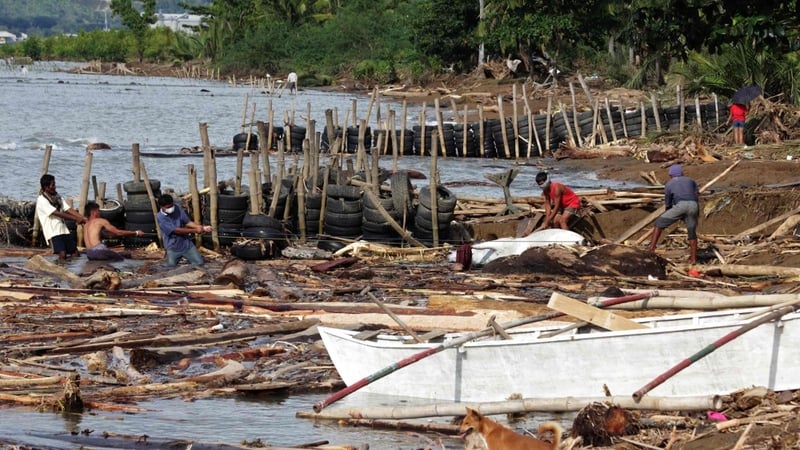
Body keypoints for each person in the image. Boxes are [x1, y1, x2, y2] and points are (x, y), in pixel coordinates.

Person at [648, 164, 699, 264]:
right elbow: (696, 195)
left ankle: (651, 249)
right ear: (682, 173)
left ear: (671, 175)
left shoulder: (669, 184)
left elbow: (668, 202)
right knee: (692, 233)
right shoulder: (690, 181)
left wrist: (670, 211)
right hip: (694, 205)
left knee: (658, 223)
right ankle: (693, 259)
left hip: (681, 205)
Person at [35, 174, 86, 260]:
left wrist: (82, 218)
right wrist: (76, 219)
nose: (55, 186)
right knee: (62, 253)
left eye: (55, 184)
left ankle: (72, 269)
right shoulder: (41, 200)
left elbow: (67, 209)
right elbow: (56, 213)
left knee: (75, 252)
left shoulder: (57, 196)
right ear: (46, 187)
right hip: (53, 232)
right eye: (53, 185)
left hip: (63, 230)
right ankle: (59, 270)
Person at [156, 194, 211, 267]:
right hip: (172, 247)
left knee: (200, 263)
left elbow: (187, 222)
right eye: (168, 207)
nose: (171, 208)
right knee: (170, 266)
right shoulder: (161, 218)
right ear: (161, 207)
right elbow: (176, 230)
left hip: (186, 244)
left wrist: (202, 227)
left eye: (171, 206)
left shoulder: (177, 208)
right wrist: (195, 230)